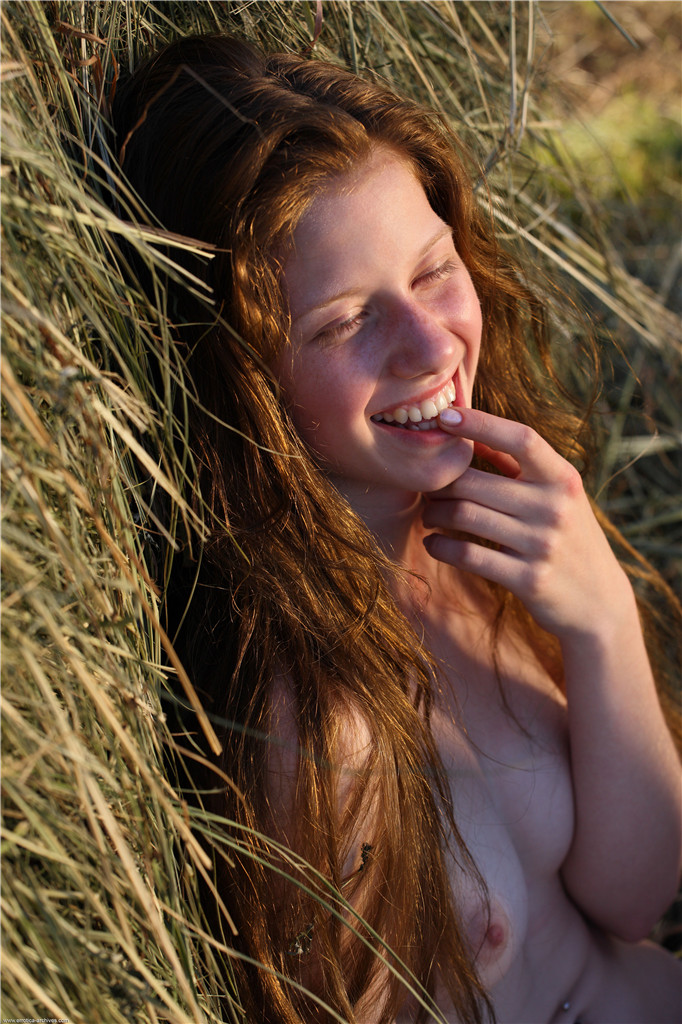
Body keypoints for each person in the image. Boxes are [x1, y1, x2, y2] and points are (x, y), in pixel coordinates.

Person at [112, 33, 682, 1024]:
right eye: (345, 322)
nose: (428, 345)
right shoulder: (313, 726)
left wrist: (602, 621)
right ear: (243, 380)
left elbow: (635, 902)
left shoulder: (496, 535)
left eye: (431, 271)